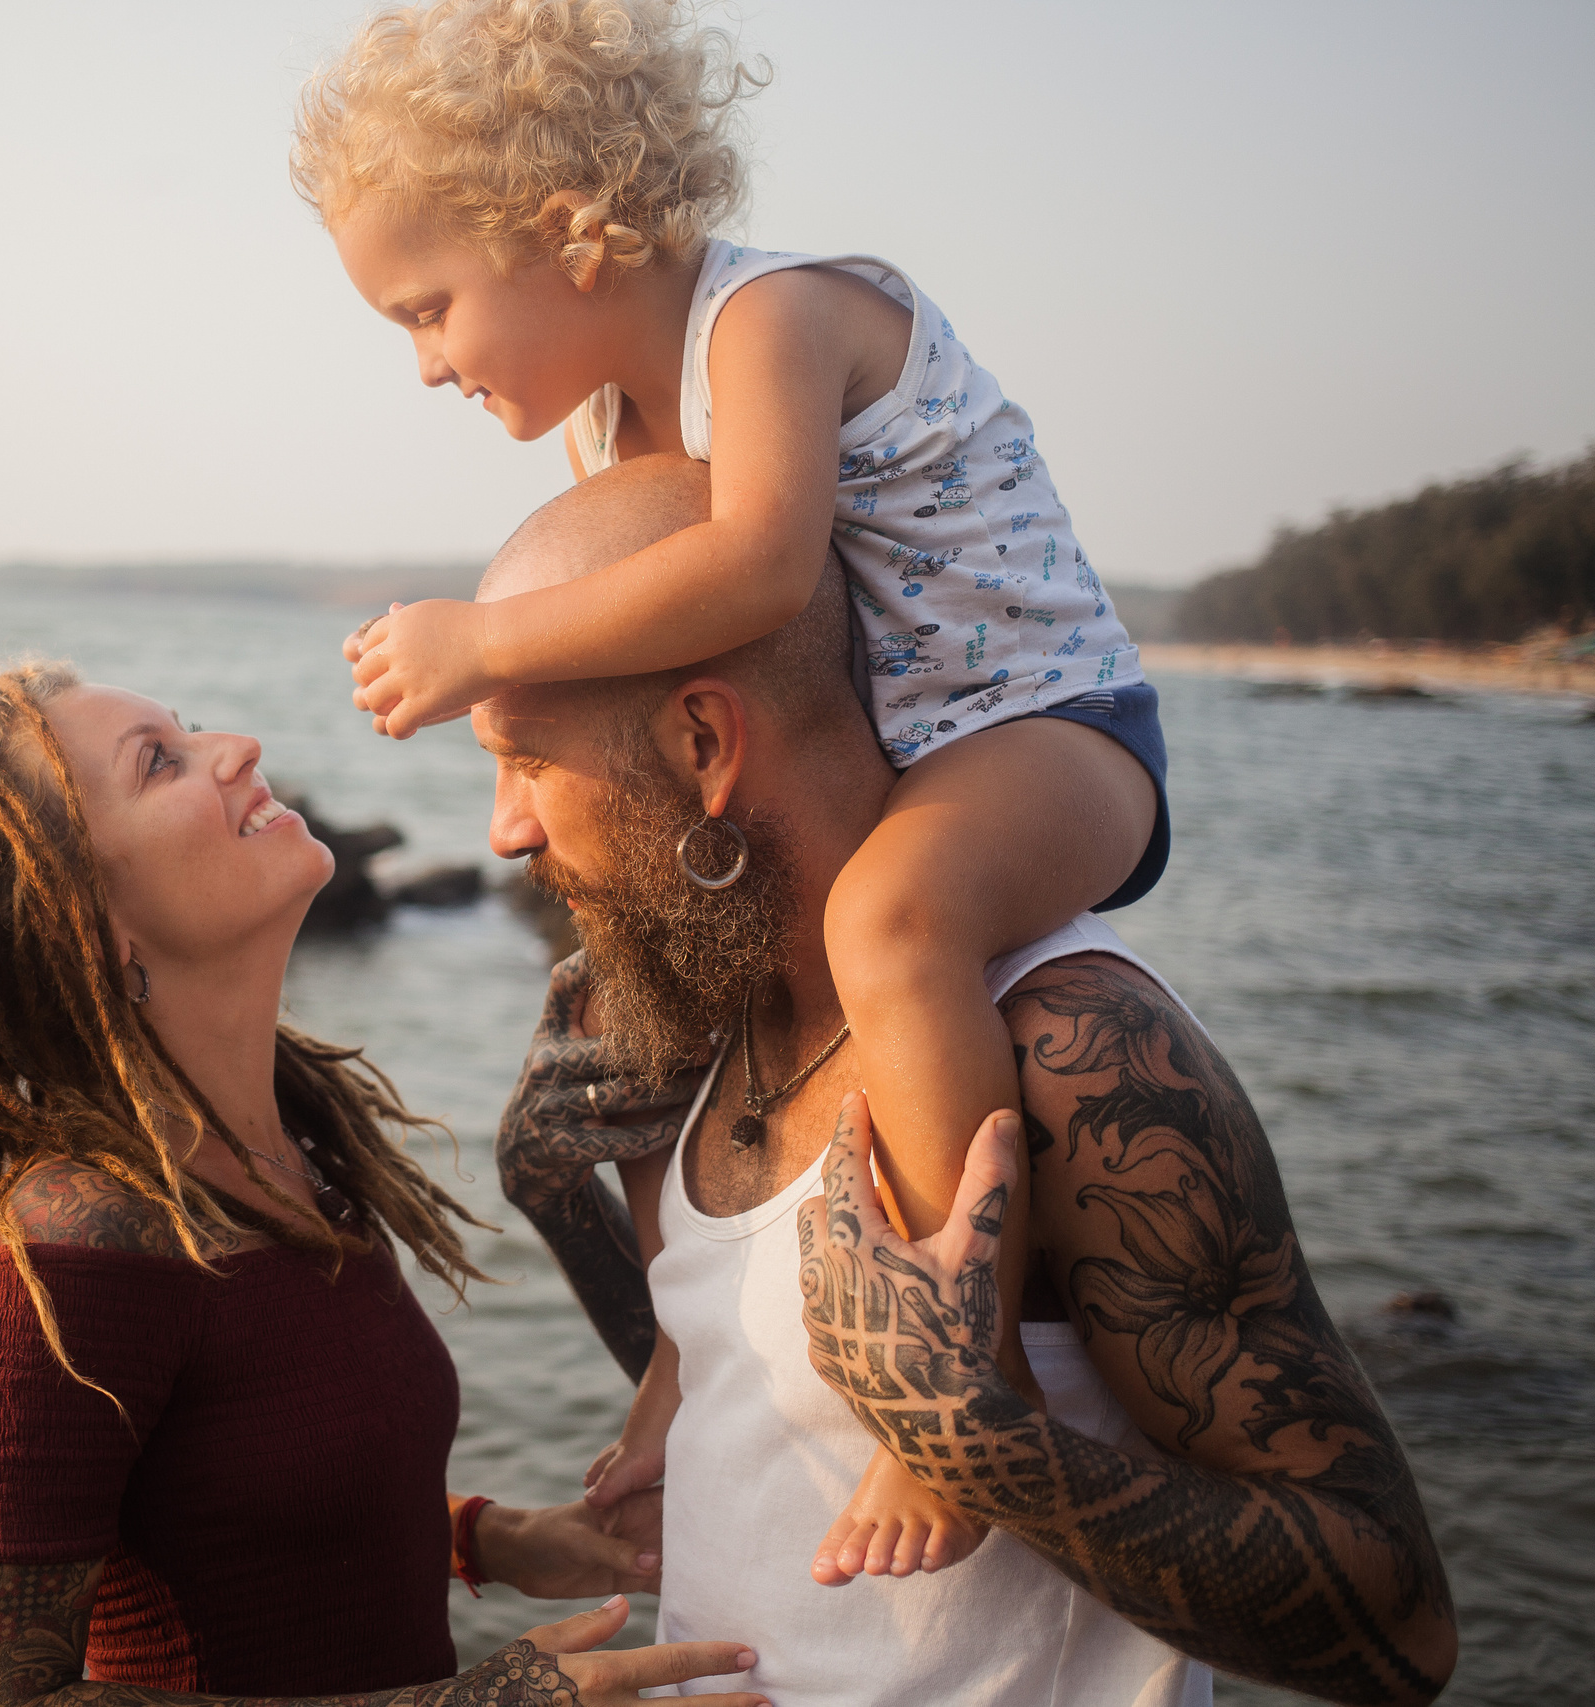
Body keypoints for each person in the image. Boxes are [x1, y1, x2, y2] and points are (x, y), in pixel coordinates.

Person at [294, 0, 1166, 1579]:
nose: (422, 365)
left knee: (895, 923)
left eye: (429, 309)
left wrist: (483, 640)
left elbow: (758, 568)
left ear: (568, 232)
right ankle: (688, 1366)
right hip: (920, 741)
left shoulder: (768, 323)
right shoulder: (617, 440)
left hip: (1051, 722)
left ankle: (958, 1383)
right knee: (615, 1039)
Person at [482, 455, 1456, 1704]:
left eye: (526, 761)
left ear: (705, 741)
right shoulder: (698, 1042)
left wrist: (981, 1444)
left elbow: (1403, 1628)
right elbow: (761, 1407)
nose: (505, 829)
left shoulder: (1068, 1050)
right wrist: (551, 1195)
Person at [0, 663, 765, 1707]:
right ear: (87, 923)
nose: (239, 751)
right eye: (159, 763)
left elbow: (243, 1500)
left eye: (190, 725)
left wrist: (498, 1539)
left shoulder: (298, 1154)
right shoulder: (72, 1253)